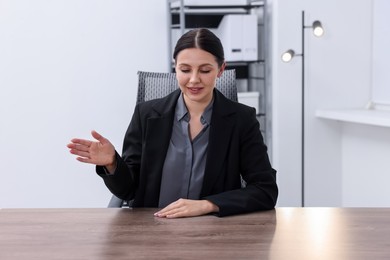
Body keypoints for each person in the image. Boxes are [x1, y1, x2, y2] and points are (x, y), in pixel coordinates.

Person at [67, 28, 278, 218]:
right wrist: (112, 163)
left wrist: (208, 205)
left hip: (212, 231)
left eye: (205, 70)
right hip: (151, 229)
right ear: (175, 68)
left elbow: (265, 190)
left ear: (221, 70)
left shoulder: (241, 120)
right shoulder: (146, 114)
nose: (194, 79)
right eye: (185, 70)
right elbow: (129, 191)